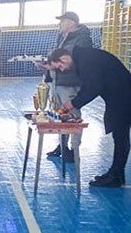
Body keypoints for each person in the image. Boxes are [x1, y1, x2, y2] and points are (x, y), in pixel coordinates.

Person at [50, 47, 131, 187]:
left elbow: (93, 87)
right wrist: (75, 101)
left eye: (60, 66)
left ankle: (116, 176)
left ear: (64, 58)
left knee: (120, 136)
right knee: (120, 136)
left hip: (123, 96)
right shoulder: (83, 58)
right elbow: (89, 85)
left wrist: (73, 103)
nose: (62, 70)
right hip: (119, 96)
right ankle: (117, 174)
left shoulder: (86, 59)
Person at [46, 11, 93, 159]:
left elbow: (80, 62)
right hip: (57, 82)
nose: (60, 24)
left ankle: (74, 150)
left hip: (70, 83)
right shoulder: (62, 37)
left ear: (72, 22)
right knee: (59, 116)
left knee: (73, 116)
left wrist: (60, 64)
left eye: (63, 21)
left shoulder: (83, 39)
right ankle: (62, 146)